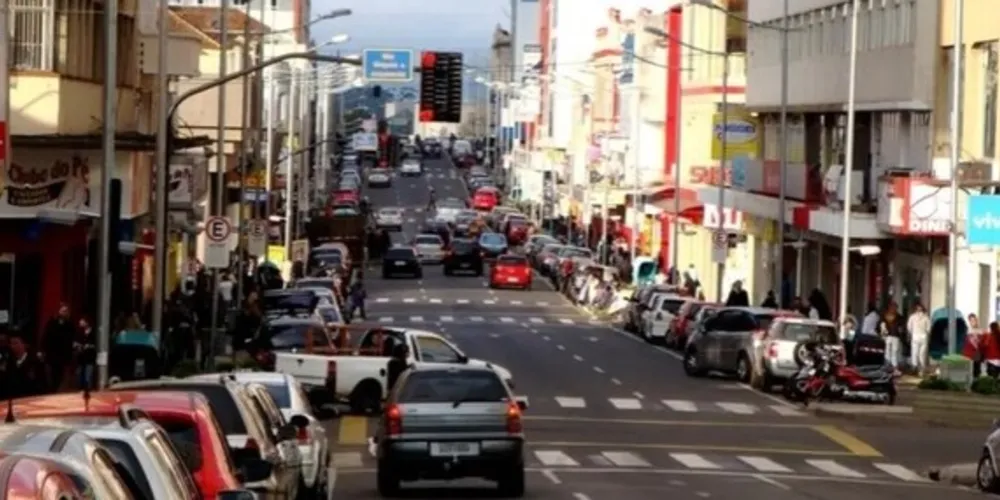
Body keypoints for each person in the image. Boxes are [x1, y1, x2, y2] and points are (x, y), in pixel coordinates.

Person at [42, 304, 76, 392]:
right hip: (52, 355)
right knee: (51, 376)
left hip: (63, 356)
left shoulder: (70, 325)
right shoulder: (52, 323)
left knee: (61, 377)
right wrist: (43, 351)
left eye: (66, 311)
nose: (64, 313)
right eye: (63, 311)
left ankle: (57, 390)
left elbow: (71, 339)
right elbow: (46, 337)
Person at [2, 334, 46, 399]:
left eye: (16, 343)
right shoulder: (9, 362)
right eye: (11, 344)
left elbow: (41, 384)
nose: (13, 346)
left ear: (24, 344)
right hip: (13, 398)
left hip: (31, 398)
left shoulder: (35, 362)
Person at [907, 303, 931, 374]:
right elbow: (928, 328)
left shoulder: (912, 317)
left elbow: (909, 327)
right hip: (922, 336)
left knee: (915, 353)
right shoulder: (926, 317)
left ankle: (916, 367)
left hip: (916, 336)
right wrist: (926, 333)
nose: (919, 311)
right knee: (921, 354)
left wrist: (912, 333)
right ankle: (921, 369)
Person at [74, 318, 97, 390]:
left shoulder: (93, 332)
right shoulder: (79, 332)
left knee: (88, 374)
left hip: (90, 356)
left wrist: (89, 345)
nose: (80, 323)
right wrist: (77, 345)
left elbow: (96, 344)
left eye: (82, 322)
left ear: (87, 322)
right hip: (81, 356)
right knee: (79, 373)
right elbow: (75, 342)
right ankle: (79, 388)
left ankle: (88, 389)